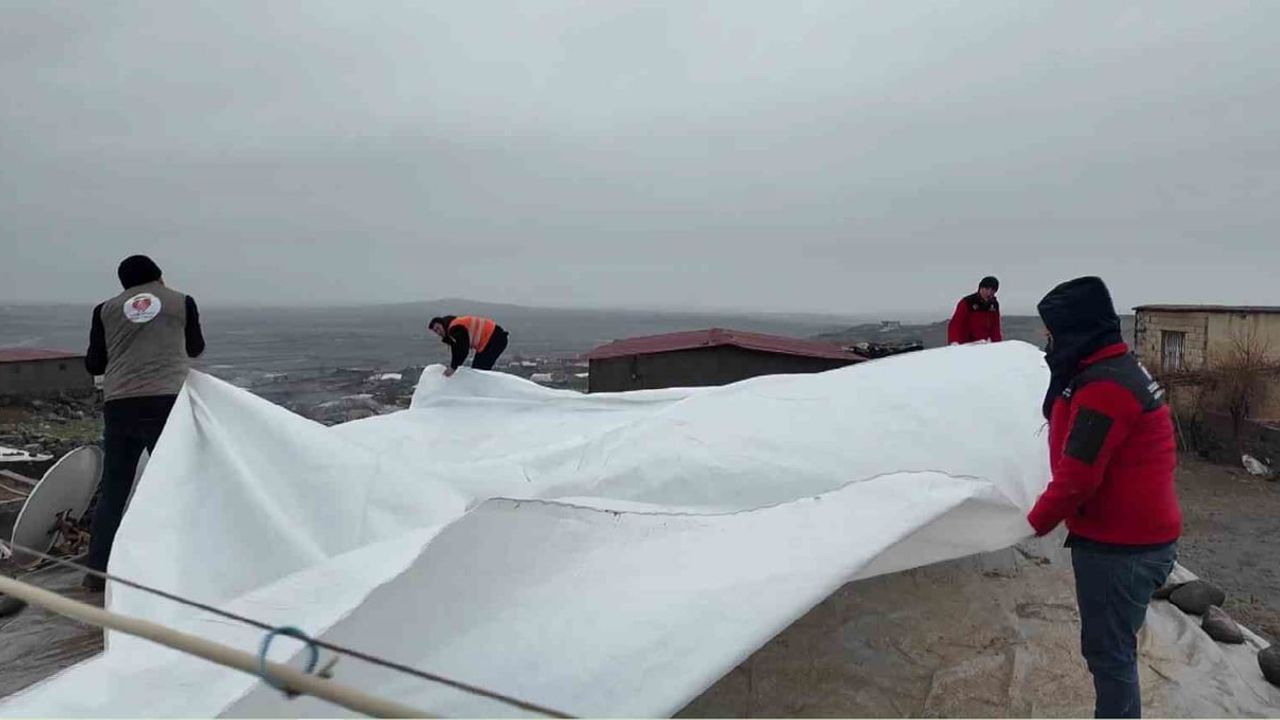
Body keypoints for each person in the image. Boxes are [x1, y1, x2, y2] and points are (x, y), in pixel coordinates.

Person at [1027, 276, 1181, 719]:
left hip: (1121, 551)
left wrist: (1031, 522)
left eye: (1053, 331)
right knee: (1113, 651)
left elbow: (1078, 477)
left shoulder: (1106, 389)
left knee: (1110, 658)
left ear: (1075, 330)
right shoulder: (1109, 370)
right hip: (1132, 540)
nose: (1047, 340)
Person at [83, 255, 205, 590]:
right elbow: (196, 348)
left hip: (119, 404)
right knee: (177, 484)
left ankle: (96, 574)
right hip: (166, 402)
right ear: (159, 276)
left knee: (114, 490)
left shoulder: (105, 309)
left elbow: (94, 363)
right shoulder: (182, 302)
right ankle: (183, 568)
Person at [428, 315, 509, 377]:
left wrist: (453, 367)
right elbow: (456, 350)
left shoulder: (455, 328)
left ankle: (484, 393)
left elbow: (462, 349)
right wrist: (454, 366)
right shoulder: (452, 329)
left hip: (494, 339)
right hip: (490, 341)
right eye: (435, 331)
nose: (438, 332)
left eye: (438, 328)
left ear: (442, 324)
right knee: (477, 370)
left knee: (479, 372)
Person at [947, 276, 1003, 345]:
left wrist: (998, 345)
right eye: (987, 289)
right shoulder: (967, 302)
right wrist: (954, 342)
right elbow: (955, 324)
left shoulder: (994, 305)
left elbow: (995, 328)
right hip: (965, 345)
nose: (989, 293)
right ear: (980, 288)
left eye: (992, 290)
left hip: (982, 344)